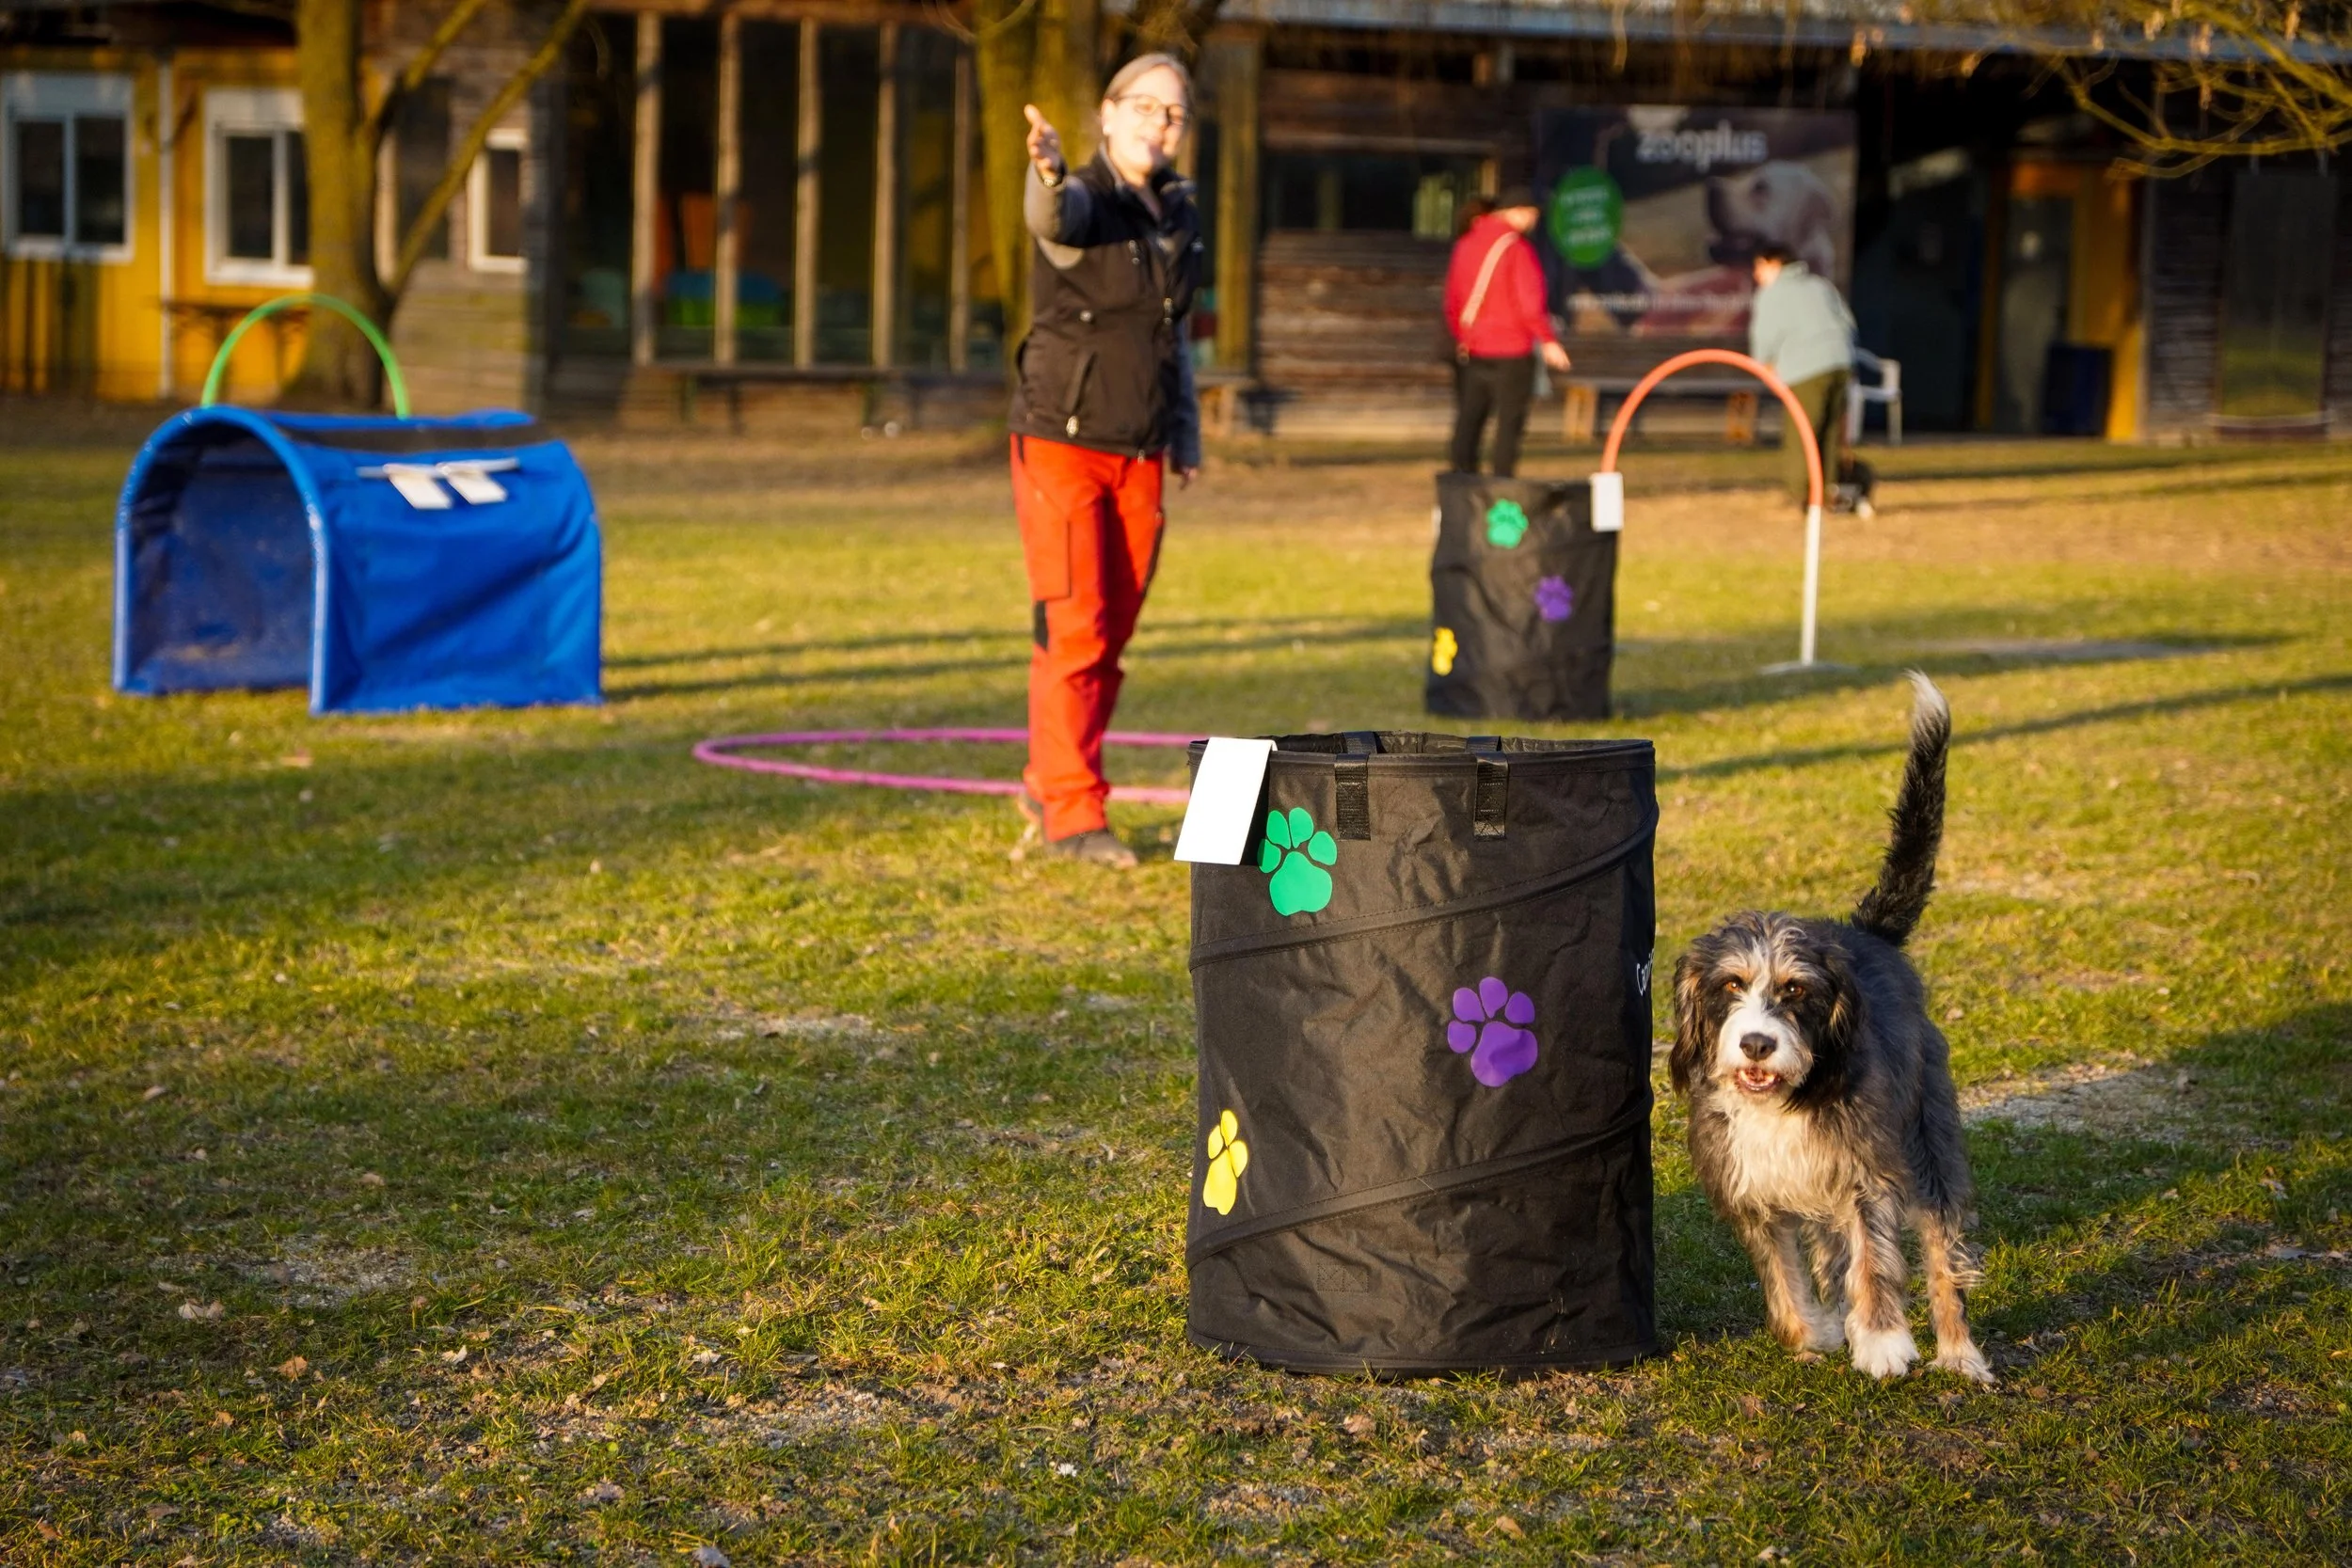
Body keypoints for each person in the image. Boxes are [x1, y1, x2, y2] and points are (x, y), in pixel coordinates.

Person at [1008, 55, 1203, 869]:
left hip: (1142, 451)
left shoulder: (1180, 213)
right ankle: (1070, 814)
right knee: (1075, 631)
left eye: (1175, 114)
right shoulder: (1087, 197)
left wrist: (1185, 433)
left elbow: (1175, 336)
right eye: (1145, 108)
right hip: (1062, 441)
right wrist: (1047, 169)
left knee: (1111, 636)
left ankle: (1047, 775)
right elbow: (1054, 217)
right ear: (1109, 113)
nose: (1159, 124)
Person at [1444, 187, 1571, 477]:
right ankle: (1502, 482)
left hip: (1473, 349)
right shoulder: (1517, 248)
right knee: (1508, 424)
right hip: (1512, 349)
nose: (1534, 223)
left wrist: (1464, 337)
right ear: (1522, 212)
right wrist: (1548, 340)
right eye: (1533, 216)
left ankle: (1461, 483)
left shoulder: (1466, 244)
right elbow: (1529, 301)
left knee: (1469, 419)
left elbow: (1452, 299)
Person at [1747, 242, 1865, 513]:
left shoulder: (1773, 294)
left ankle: (1800, 496)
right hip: (1841, 362)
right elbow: (1848, 324)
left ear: (1773, 264)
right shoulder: (1820, 286)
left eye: (1758, 267)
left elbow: (1763, 337)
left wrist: (1763, 367)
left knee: (1803, 433)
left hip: (1806, 370)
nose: (1756, 275)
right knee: (1832, 432)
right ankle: (1829, 492)